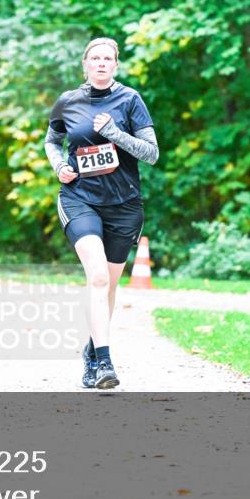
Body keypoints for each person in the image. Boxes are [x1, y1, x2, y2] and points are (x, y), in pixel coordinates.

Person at [44, 37, 159, 390]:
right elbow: (51, 141)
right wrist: (59, 164)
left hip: (123, 205)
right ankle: (106, 362)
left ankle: (92, 352)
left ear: (116, 65)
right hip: (80, 198)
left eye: (108, 58)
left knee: (107, 285)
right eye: (95, 58)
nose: (101, 63)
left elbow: (151, 153)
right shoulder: (68, 101)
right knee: (96, 277)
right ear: (85, 64)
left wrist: (114, 133)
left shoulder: (130, 100)